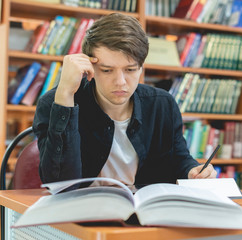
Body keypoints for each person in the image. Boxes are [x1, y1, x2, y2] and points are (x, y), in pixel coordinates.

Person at [33, 13, 217, 186]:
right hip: (80, 212)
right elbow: (58, 183)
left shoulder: (162, 104)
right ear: (89, 67)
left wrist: (193, 171)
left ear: (141, 68)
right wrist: (65, 95)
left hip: (146, 215)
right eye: (106, 70)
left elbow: (178, 158)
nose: (120, 82)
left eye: (130, 70)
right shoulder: (55, 103)